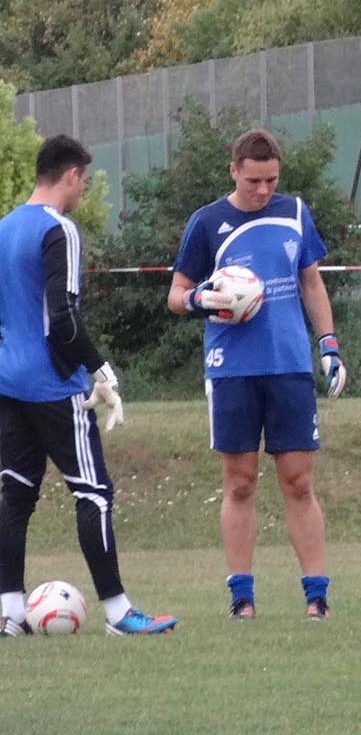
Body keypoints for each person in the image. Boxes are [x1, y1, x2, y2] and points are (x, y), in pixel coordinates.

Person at [0, 135, 178, 636]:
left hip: (8, 383)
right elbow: (64, 319)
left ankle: (9, 613)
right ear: (72, 175)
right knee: (94, 494)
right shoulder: (61, 229)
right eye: (81, 182)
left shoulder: (4, 227)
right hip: (54, 387)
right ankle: (119, 613)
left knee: (15, 496)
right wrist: (100, 372)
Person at [167, 128, 347, 620]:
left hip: (289, 364)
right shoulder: (207, 223)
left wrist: (328, 344)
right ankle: (241, 598)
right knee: (240, 482)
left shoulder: (294, 212)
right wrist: (200, 299)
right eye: (253, 181)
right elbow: (176, 295)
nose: (263, 190)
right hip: (232, 370)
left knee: (298, 482)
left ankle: (317, 596)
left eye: (270, 180)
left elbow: (311, 282)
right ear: (234, 171)